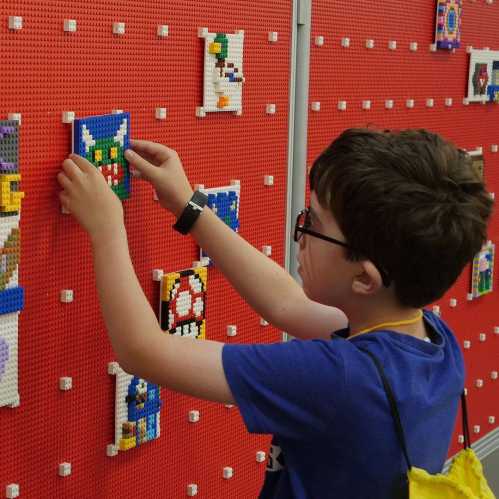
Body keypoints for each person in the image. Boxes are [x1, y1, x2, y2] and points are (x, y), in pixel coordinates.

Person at [57, 128, 493, 498]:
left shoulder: (337, 379)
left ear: (365, 279)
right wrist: (188, 207)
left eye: (315, 224)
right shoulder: (428, 337)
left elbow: (142, 351)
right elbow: (286, 304)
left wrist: (107, 227)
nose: (299, 233)